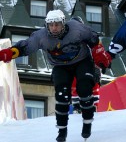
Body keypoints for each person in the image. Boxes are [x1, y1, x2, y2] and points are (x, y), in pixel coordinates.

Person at [0, 9, 112, 141]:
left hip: (82, 61)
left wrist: (101, 58)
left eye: (57, 24)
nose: (54, 28)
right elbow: (23, 48)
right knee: (61, 95)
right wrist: (8, 53)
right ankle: (62, 131)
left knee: (84, 88)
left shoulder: (76, 28)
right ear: (46, 25)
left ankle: (87, 123)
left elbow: (94, 40)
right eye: (51, 25)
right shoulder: (41, 36)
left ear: (64, 23)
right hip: (61, 66)